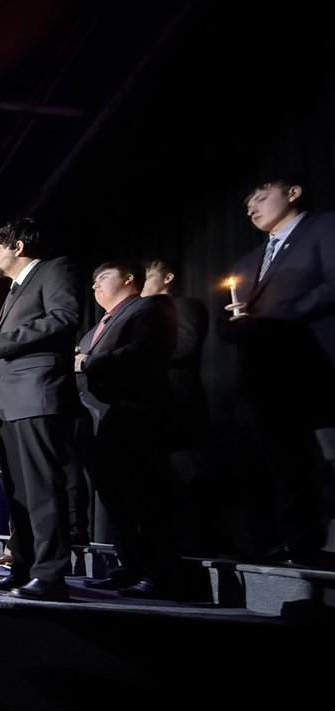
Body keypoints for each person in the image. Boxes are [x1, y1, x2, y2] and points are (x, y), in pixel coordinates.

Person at [222, 175, 335, 564]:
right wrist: (233, 327)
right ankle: (298, 542)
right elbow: (237, 315)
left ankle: (323, 543)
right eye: (247, 205)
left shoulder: (324, 227)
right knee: (284, 462)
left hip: (318, 363)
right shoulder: (248, 262)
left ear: (293, 192)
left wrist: (272, 318)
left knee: (325, 455)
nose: (251, 208)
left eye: (260, 197)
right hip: (264, 375)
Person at [0, 218, 81, 601]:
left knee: (42, 487)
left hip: (37, 395)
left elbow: (64, 318)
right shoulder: (15, 290)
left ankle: (50, 575)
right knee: (18, 492)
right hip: (10, 401)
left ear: (17, 246)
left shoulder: (54, 269)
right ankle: (23, 567)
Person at [76, 261, 187, 598]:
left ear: (128, 279)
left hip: (135, 414)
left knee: (145, 497)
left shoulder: (150, 307)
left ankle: (158, 574)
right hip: (101, 419)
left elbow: (144, 352)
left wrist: (88, 362)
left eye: (103, 277)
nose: (95, 285)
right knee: (116, 500)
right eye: (93, 281)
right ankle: (130, 566)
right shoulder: (95, 328)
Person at [143, 258, 211, 556]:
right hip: (148, 408)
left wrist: (134, 354)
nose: (141, 282)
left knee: (187, 472)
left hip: (177, 403)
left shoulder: (184, 306)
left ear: (167, 278)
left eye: (147, 276)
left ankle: (196, 543)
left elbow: (185, 344)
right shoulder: (140, 314)